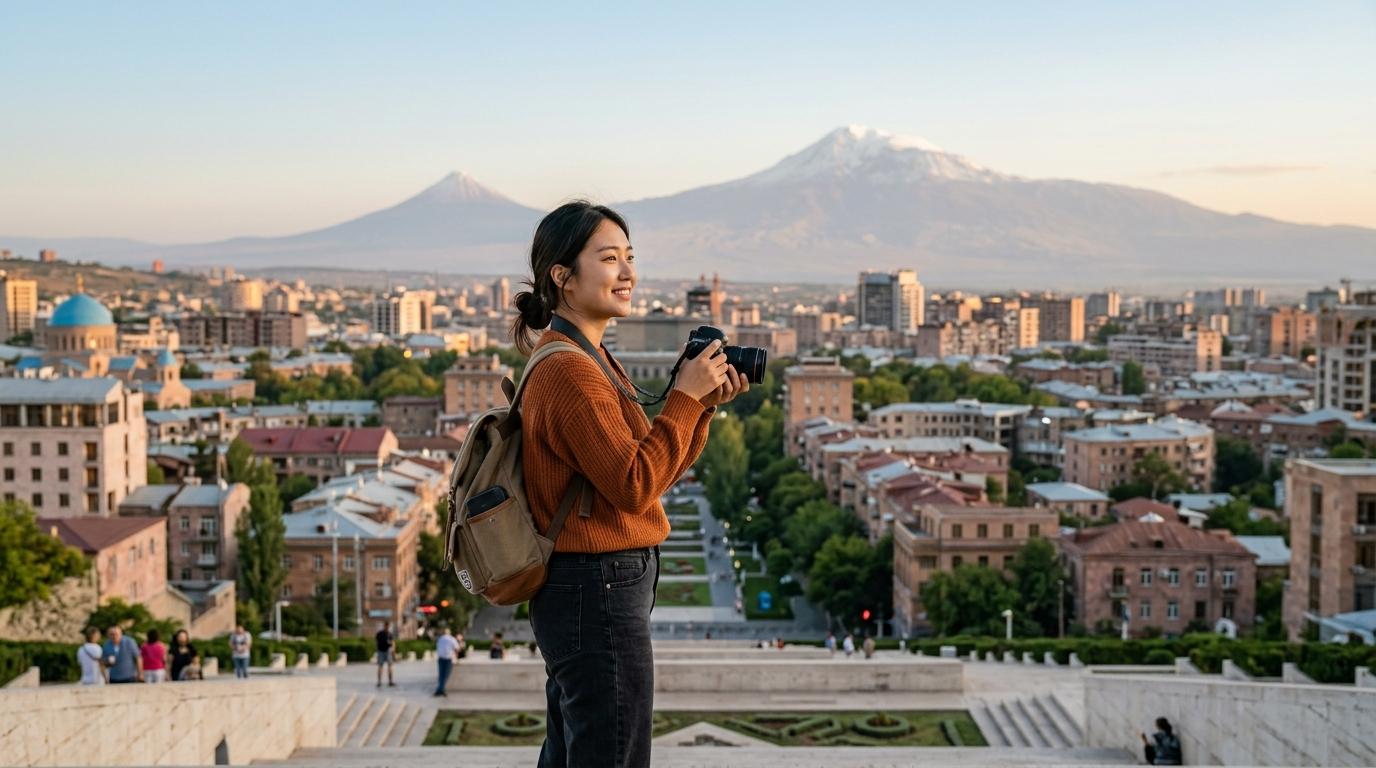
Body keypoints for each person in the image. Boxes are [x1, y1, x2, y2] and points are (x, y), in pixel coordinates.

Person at [514, 201, 743, 768]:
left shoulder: (590, 356)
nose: (627, 273)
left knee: (578, 751)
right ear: (562, 278)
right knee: (611, 752)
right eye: (609, 258)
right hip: (596, 587)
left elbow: (652, 469)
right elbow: (634, 485)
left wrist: (702, 408)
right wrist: (683, 399)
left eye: (630, 258)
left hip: (594, 587)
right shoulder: (570, 369)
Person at [434, 627, 461, 697]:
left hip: (440, 658)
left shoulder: (440, 639)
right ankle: (440, 689)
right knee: (446, 675)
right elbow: (457, 648)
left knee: (441, 675)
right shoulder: (451, 639)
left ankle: (440, 689)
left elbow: (437, 647)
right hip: (448, 659)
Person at [375, 620, 395, 687]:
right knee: (388, 666)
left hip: (381, 651)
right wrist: (393, 652)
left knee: (382, 666)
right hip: (386, 651)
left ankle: (380, 682)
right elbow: (392, 643)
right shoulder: (389, 634)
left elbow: (376, 642)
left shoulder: (379, 633)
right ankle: (389, 682)